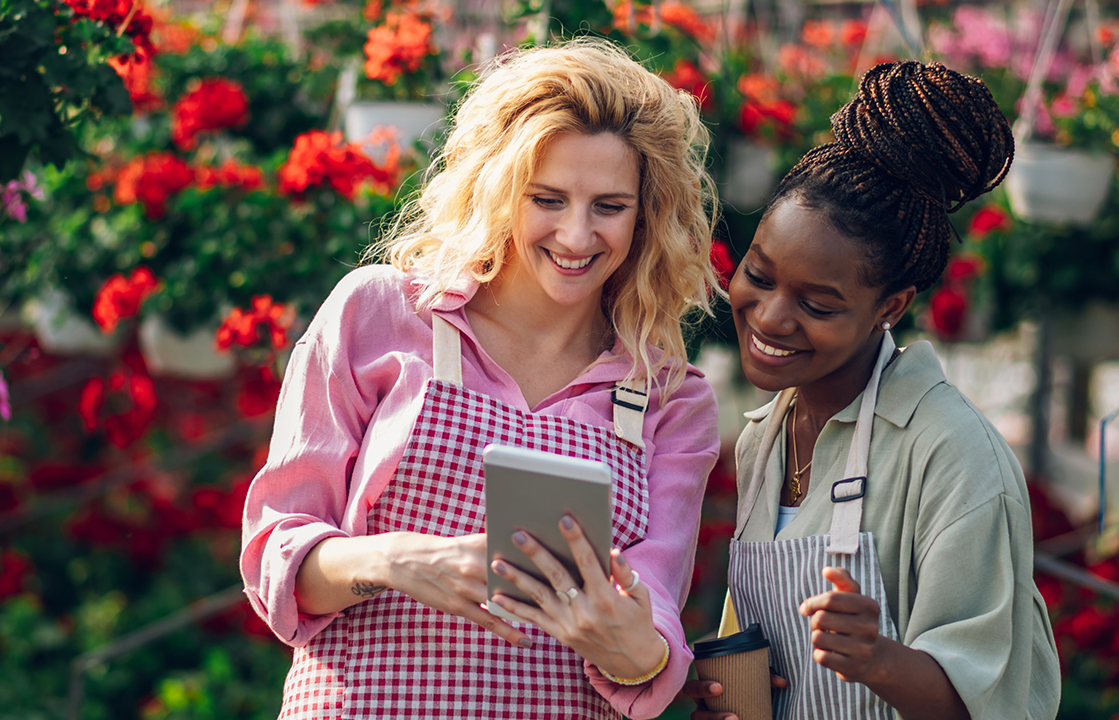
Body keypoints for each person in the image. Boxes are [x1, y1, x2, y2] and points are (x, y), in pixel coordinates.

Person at [239, 39, 723, 719]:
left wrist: (632, 645)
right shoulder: (377, 314)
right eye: (547, 199)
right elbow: (275, 556)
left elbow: (655, 633)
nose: (577, 236)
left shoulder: (672, 402)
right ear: (498, 188)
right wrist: (400, 560)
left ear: (648, 214)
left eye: (609, 206)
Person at [683, 61, 1061, 720]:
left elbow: (998, 699)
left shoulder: (953, 455)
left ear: (891, 305)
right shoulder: (765, 434)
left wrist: (878, 660)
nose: (770, 317)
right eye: (761, 276)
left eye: (818, 304)